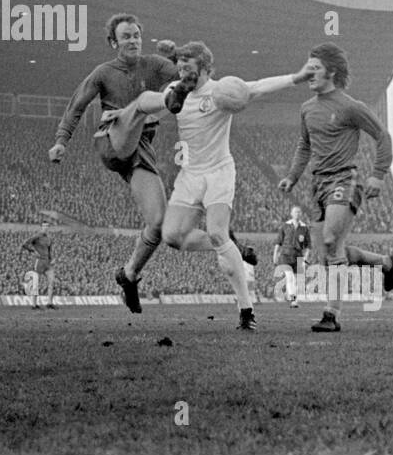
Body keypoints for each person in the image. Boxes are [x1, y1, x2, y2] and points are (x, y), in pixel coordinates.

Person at [50, 14, 254, 313]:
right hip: (112, 140)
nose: (132, 40)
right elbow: (77, 104)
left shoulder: (154, 65)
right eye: (126, 36)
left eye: (136, 35)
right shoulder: (103, 73)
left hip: (139, 151)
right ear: (113, 42)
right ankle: (141, 109)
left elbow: (188, 75)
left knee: (158, 224)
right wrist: (60, 140)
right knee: (144, 104)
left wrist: (174, 58)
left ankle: (129, 275)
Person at [101, 41, 311, 330]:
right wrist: (121, 115)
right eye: (181, 67)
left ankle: (246, 310)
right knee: (172, 236)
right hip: (190, 175)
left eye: (189, 68)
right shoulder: (175, 91)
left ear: (205, 69)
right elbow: (149, 110)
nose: (183, 72)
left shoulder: (222, 91)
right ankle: (228, 245)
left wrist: (296, 78)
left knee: (216, 231)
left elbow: (259, 86)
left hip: (219, 173)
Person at [278, 44, 393, 333]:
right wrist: (293, 176)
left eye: (315, 68)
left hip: (344, 180)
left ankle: (331, 315)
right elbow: (304, 145)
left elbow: (382, 136)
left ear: (331, 72)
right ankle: (384, 263)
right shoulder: (307, 108)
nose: (309, 73)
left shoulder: (350, 106)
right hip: (318, 185)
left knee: (332, 240)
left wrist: (378, 174)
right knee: (328, 253)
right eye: (307, 67)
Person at [273, 205, 312, 307]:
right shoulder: (285, 226)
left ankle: (292, 297)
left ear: (301, 214)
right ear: (291, 213)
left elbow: (308, 246)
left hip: (298, 256)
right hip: (285, 255)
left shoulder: (304, 228)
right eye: (295, 212)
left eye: (299, 212)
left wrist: (305, 258)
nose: (297, 214)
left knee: (298, 279)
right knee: (290, 277)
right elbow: (278, 242)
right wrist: (275, 255)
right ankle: (293, 300)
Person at [22, 222, 56, 309]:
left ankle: (49, 303)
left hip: (47, 263)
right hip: (39, 261)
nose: (46, 228)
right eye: (44, 226)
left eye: (47, 226)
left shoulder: (49, 238)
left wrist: (52, 258)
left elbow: (50, 250)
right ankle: (34, 304)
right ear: (41, 227)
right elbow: (25, 244)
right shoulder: (37, 236)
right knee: (36, 283)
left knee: (52, 281)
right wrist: (33, 251)